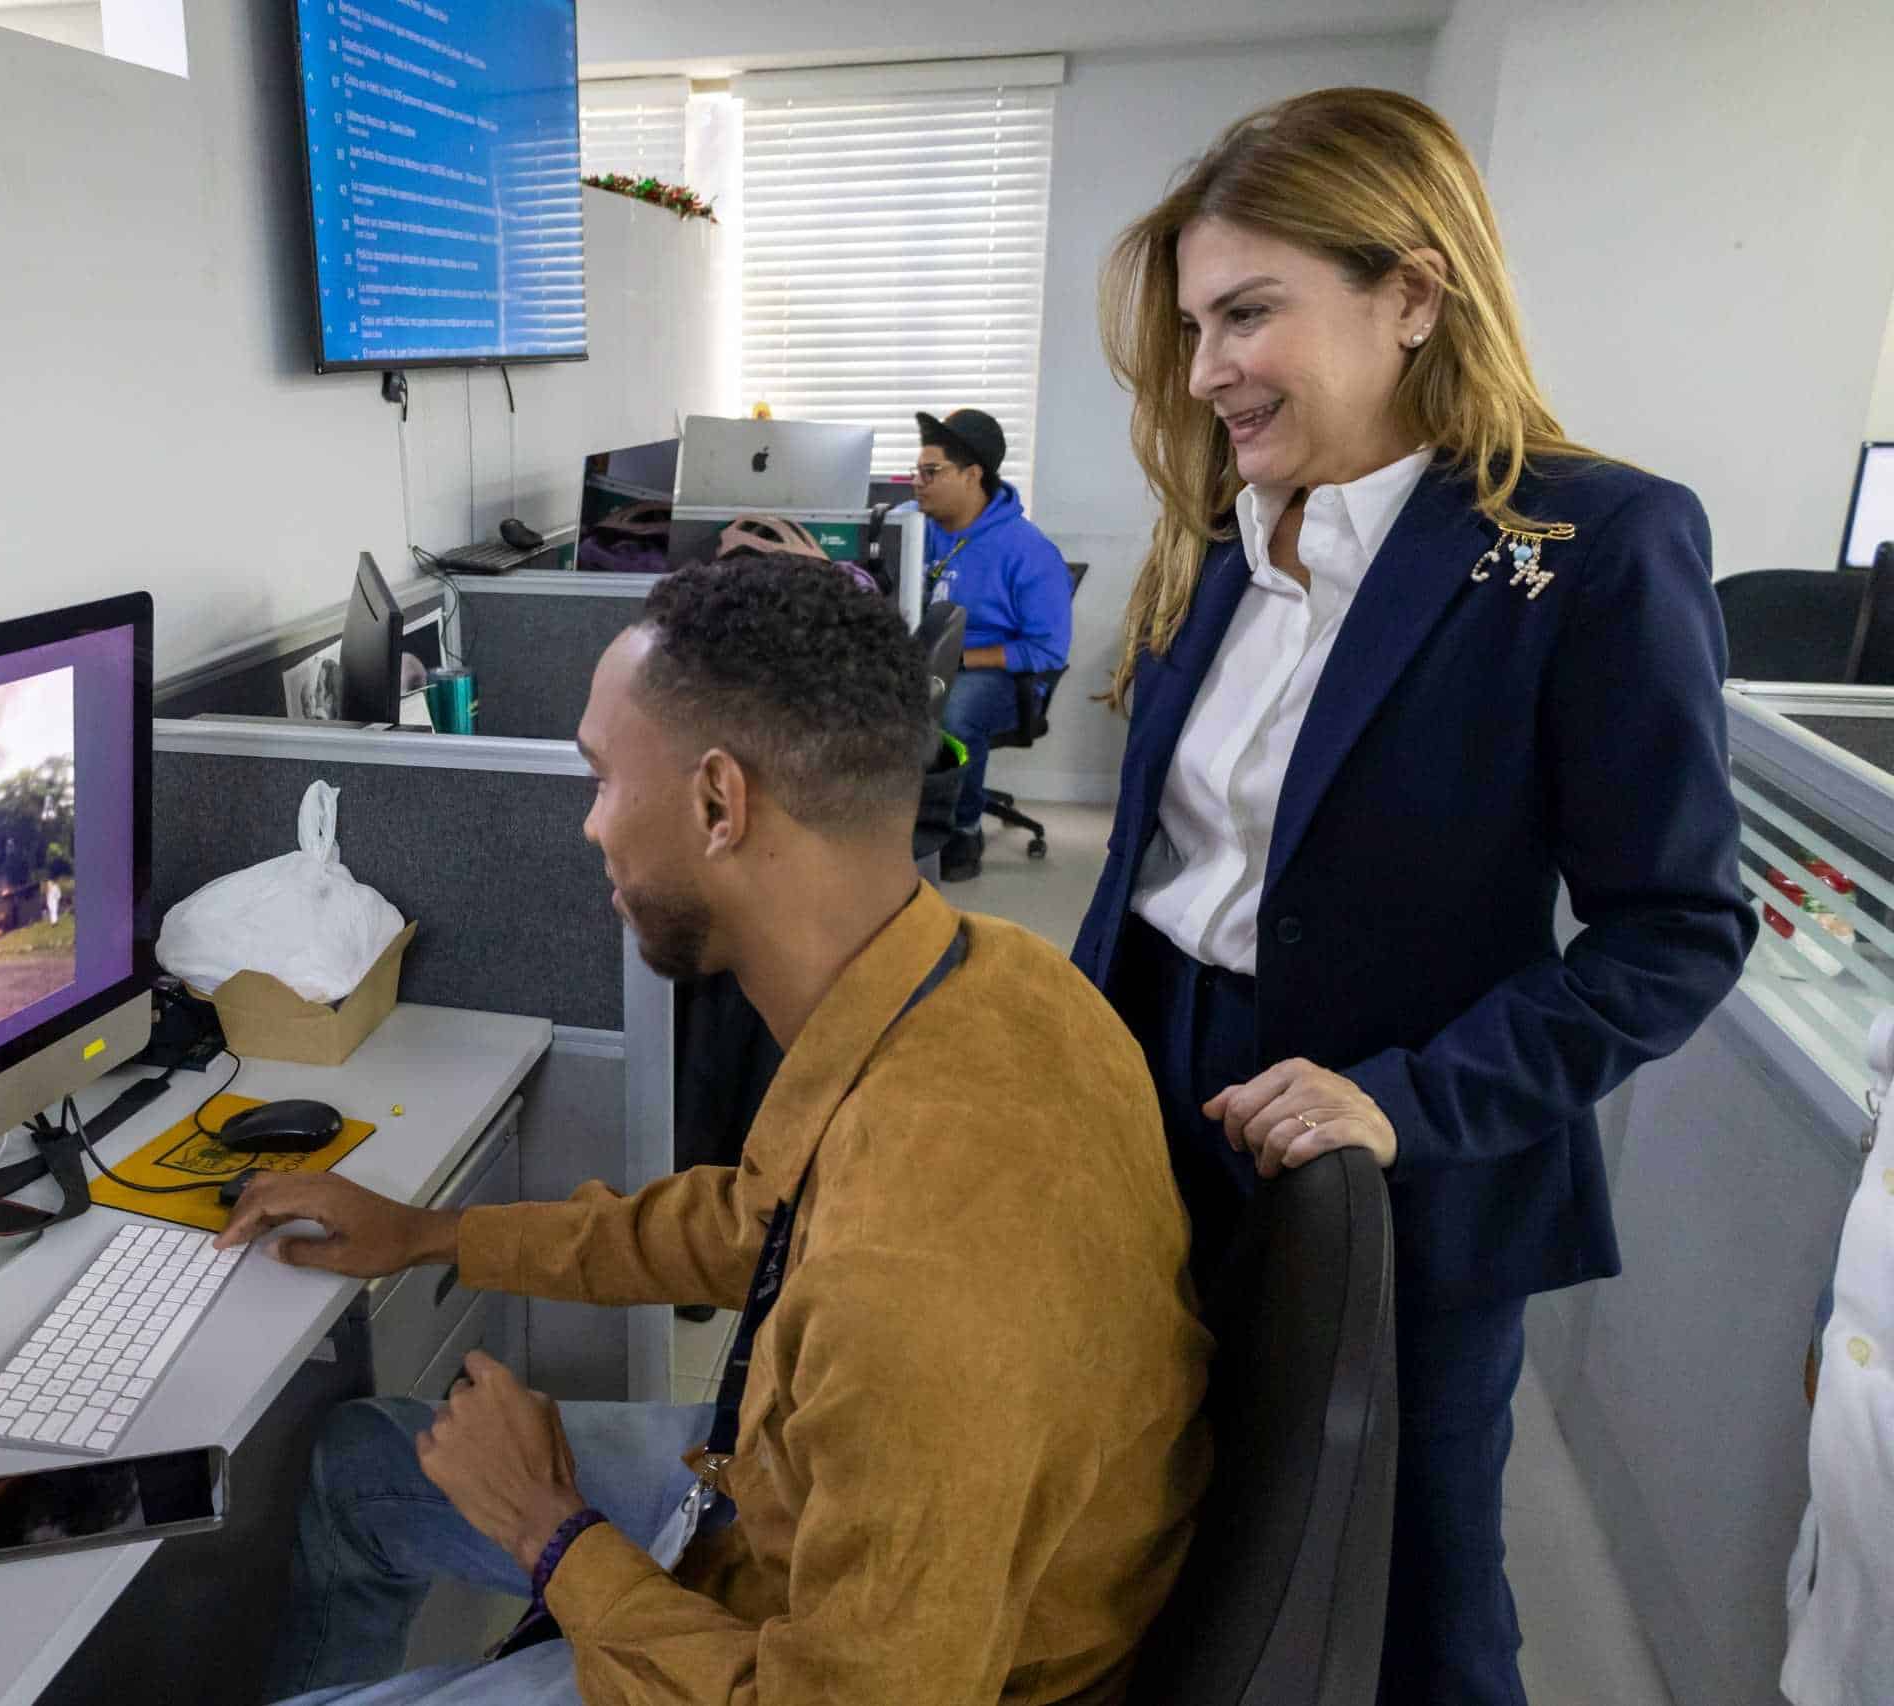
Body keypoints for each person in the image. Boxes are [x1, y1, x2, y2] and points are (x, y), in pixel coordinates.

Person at [228, 559, 1209, 1706]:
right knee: (362, 1466)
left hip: (843, 1663)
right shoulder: (987, 983)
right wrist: (430, 1233)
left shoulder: (915, 1287)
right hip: (793, 1506)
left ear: (716, 803)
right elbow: (757, 1220)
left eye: (600, 780)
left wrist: (554, 1535)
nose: (590, 825)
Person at [1067, 88, 1756, 1705]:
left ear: (1415, 295)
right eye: (1190, 325)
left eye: (1249, 314)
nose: (1205, 368)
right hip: (1161, 1092)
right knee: (1175, 1531)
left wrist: (1409, 1103)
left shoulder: (1590, 544)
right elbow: (1158, 870)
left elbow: (1680, 931)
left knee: (1417, 1592)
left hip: (1395, 1147)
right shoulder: (1224, 534)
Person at [910, 407, 1074, 882]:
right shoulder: (910, 527)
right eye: (916, 471)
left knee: (954, 711)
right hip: (919, 661)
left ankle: (962, 829)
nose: (917, 482)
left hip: (998, 675)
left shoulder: (1028, 551)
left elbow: (1048, 651)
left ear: (972, 475)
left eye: (931, 472)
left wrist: (957, 658)